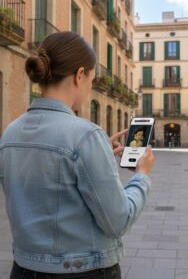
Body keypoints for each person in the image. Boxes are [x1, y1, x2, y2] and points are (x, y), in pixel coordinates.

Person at [0, 32, 154, 278]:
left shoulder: (10, 133)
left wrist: (98, 146)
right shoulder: (85, 135)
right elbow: (118, 221)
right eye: (91, 79)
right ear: (79, 75)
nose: (90, 86)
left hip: (23, 269)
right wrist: (141, 175)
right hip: (83, 272)